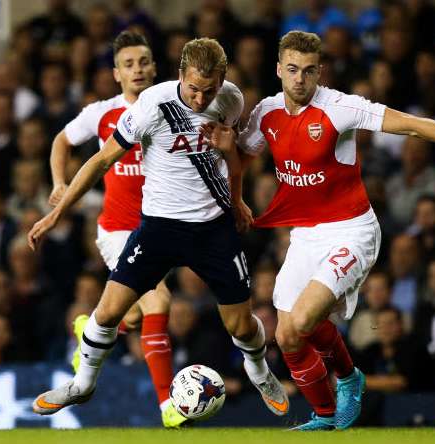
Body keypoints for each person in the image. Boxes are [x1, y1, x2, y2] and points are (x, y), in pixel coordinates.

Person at [203, 31, 435, 430]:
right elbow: (244, 154)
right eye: (292, 70)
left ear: (320, 72)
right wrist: (237, 195)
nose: (300, 79)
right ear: (279, 69)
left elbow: (408, 125)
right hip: (305, 235)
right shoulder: (267, 113)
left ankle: (350, 378)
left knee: (302, 322)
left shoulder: (339, 107)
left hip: (351, 231)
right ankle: (324, 416)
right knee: (286, 337)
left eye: (309, 71)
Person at [27, 37, 288, 419]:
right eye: (194, 89)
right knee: (109, 311)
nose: (201, 99)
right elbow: (100, 161)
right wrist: (57, 213)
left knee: (241, 325)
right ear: (180, 74)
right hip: (159, 228)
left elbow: (236, 157)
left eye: (209, 90)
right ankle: (82, 384)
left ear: (223, 80)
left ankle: (260, 371)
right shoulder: (152, 106)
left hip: (213, 228)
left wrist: (237, 199)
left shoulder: (231, 100)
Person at [46, 30, 184, 428]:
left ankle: (91, 329)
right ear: (116, 73)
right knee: (158, 302)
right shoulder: (102, 114)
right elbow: (61, 141)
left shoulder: (171, 108)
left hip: (161, 232)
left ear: (155, 68)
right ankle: (168, 406)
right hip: (119, 231)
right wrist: (59, 183)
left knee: (137, 316)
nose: (137, 69)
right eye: (128, 64)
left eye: (143, 62)